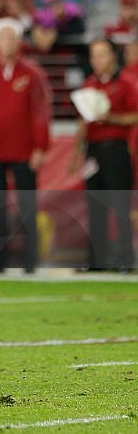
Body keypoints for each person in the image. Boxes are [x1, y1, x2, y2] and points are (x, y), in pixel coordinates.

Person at [0, 18, 52, 272]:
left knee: (27, 205)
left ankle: (30, 260)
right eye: (3, 37)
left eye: (12, 37)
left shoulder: (32, 73)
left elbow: (40, 112)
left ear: (20, 41)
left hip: (24, 150)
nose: (8, 42)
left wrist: (40, 146)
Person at [71, 39, 137, 271]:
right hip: (94, 150)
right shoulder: (89, 85)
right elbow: (82, 122)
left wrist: (112, 119)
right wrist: (75, 155)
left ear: (112, 56)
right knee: (95, 206)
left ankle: (126, 260)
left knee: (120, 206)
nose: (97, 61)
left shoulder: (126, 83)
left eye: (101, 55)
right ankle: (97, 260)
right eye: (93, 56)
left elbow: (135, 115)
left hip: (116, 148)